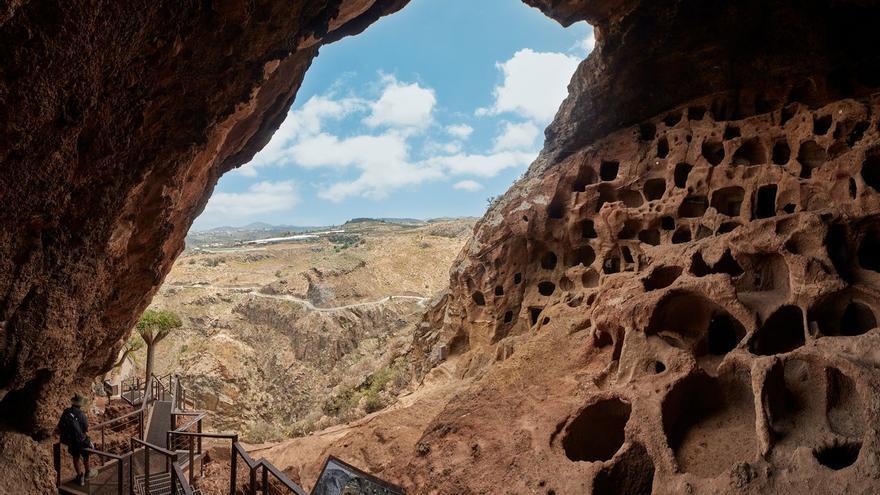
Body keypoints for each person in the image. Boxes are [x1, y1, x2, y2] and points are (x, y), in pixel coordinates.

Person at [58, 394, 96, 486]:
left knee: (76, 458)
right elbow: (86, 429)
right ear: (80, 405)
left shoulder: (66, 412)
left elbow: (60, 425)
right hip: (81, 440)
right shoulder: (82, 414)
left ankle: (80, 477)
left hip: (71, 441)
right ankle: (88, 473)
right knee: (86, 456)